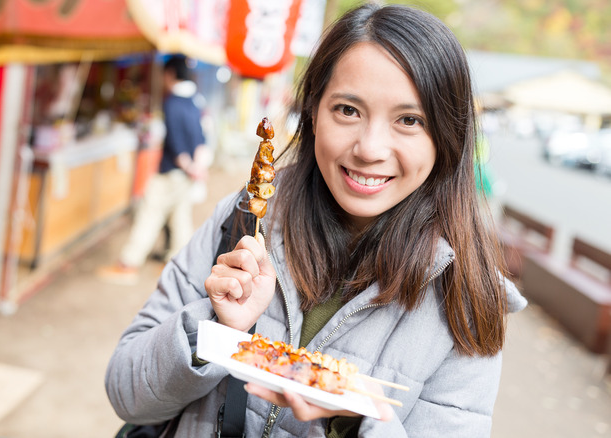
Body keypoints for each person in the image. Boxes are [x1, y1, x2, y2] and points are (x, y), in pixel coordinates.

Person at [105, 4, 526, 437]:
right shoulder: (243, 222)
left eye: (409, 120)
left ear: (447, 136)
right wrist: (215, 327)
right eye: (348, 110)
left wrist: (356, 421)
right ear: (312, 112)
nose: (370, 148)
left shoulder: (469, 301)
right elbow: (125, 391)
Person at [98, 55, 209, 285]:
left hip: (172, 171)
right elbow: (200, 137)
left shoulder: (171, 102)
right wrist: (196, 166)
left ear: (170, 74)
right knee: (180, 218)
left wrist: (187, 165)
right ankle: (178, 268)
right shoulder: (194, 101)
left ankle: (129, 263)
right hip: (187, 173)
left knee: (149, 213)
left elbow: (176, 141)